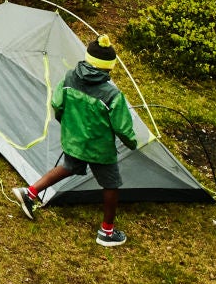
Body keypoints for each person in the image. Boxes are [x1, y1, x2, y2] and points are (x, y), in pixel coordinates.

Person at [9, 36, 143, 247]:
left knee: (69, 166)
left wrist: (68, 125)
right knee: (111, 184)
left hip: (74, 140)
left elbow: (57, 103)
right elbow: (122, 128)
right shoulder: (112, 94)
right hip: (99, 149)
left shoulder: (70, 78)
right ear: (109, 67)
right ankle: (106, 232)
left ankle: (30, 192)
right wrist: (133, 143)